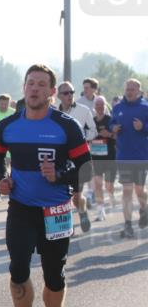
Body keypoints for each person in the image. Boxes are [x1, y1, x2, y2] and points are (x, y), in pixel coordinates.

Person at [0, 64, 90, 307]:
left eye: (40, 84)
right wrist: (2, 178)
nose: (34, 88)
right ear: (24, 88)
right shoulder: (8, 126)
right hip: (20, 207)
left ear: (50, 92)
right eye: (29, 83)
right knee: (18, 268)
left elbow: (85, 168)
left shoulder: (65, 126)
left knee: (53, 276)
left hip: (56, 210)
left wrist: (58, 175)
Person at [56, 82, 97, 232]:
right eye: (65, 93)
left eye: (71, 92)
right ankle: (67, 225)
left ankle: (83, 212)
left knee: (77, 196)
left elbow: (93, 131)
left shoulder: (84, 110)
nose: (69, 95)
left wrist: (80, 137)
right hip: (60, 158)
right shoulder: (53, 112)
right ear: (59, 96)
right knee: (61, 195)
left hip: (78, 157)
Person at [111, 78, 148, 238]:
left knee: (139, 190)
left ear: (139, 91)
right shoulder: (118, 107)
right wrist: (114, 128)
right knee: (127, 190)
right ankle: (128, 225)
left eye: (133, 89)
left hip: (140, 156)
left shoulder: (146, 107)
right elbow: (111, 124)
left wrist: (143, 127)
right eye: (127, 88)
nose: (129, 91)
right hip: (123, 155)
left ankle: (144, 208)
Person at [89, 95, 117, 221]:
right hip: (96, 157)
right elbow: (86, 137)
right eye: (97, 105)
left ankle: (111, 196)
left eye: (101, 104)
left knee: (108, 185)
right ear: (94, 107)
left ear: (105, 106)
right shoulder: (91, 121)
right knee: (98, 184)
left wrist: (110, 134)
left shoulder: (111, 120)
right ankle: (101, 210)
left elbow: (118, 138)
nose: (99, 107)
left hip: (110, 156)